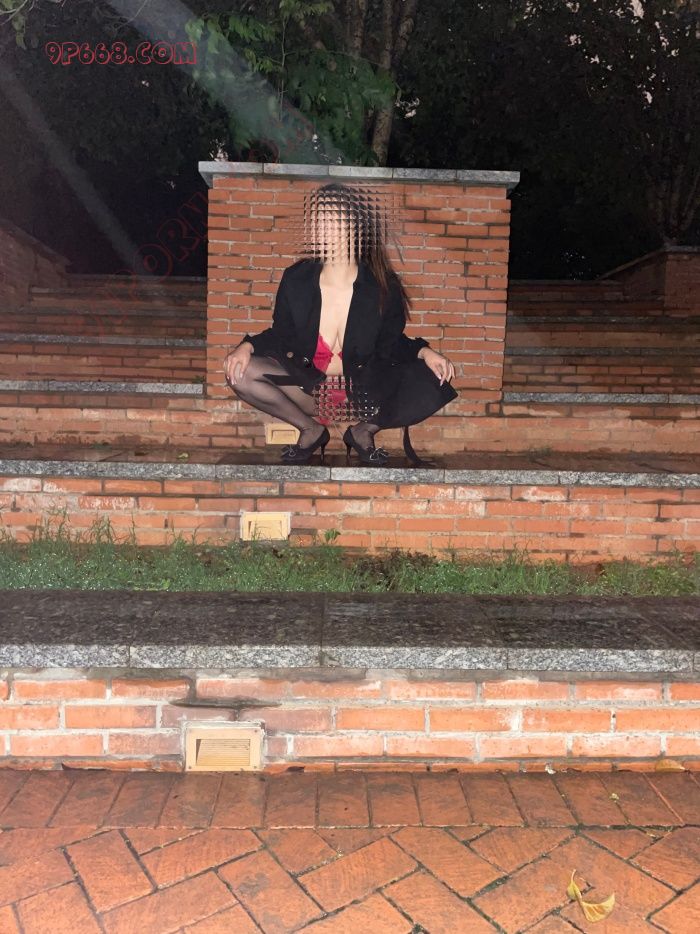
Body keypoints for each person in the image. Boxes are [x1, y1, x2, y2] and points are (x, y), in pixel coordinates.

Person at [223, 182, 458, 466]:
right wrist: (247, 346)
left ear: (355, 226)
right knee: (240, 372)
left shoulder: (381, 286)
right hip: (308, 390)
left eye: (330, 219)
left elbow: (391, 343)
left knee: (434, 379)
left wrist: (425, 352)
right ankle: (310, 430)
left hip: (361, 395)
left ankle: (362, 431)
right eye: (316, 220)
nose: (320, 228)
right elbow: (281, 334)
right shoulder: (297, 279)